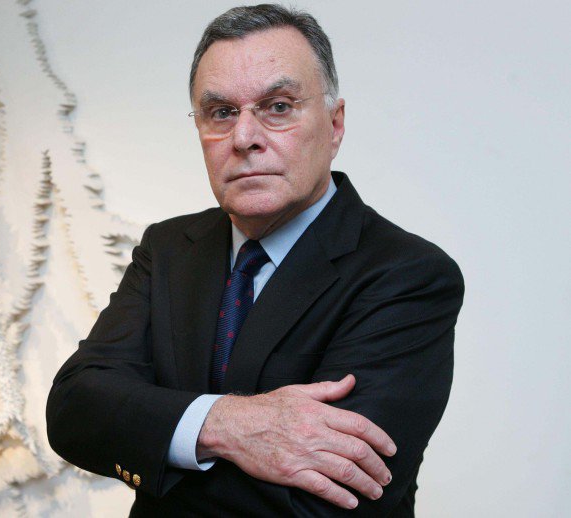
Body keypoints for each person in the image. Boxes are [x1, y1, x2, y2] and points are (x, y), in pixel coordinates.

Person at [46, 4, 464, 516]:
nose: (244, 138)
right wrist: (228, 424)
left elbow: (326, 506)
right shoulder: (169, 247)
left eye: (278, 106)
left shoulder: (408, 275)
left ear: (335, 125)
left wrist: (158, 442)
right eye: (221, 113)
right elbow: (75, 408)